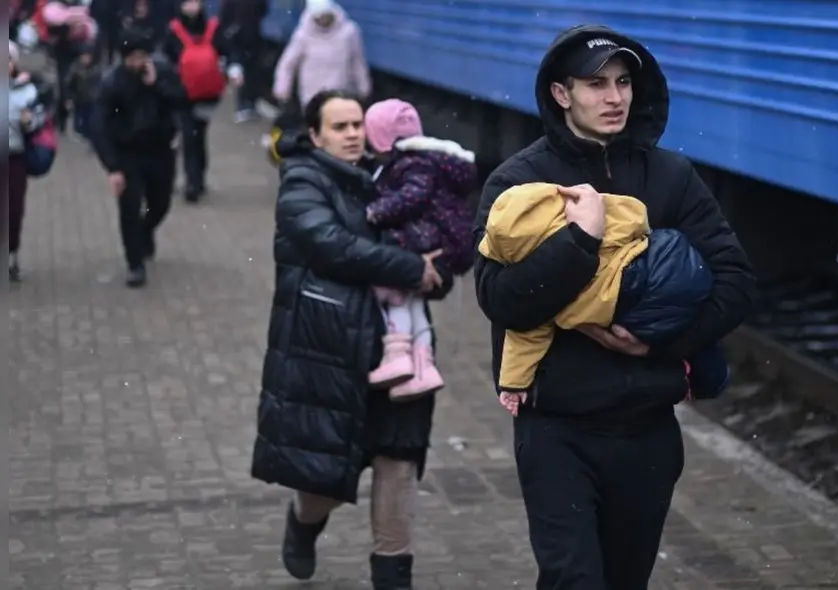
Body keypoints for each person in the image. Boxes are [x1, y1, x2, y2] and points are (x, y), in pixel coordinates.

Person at [473, 25, 756, 589]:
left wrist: (661, 343)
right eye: (596, 83)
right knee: (573, 579)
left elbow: (736, 282)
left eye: (624, 82)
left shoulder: (670, 176)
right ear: (561, 94)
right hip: (557, 429)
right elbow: (499, 299)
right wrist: (579, 245)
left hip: (646, 430)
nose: (615, 97)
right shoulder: (518, 183)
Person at [250, 89, 454, 590]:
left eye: (358, 124)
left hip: (401, 354)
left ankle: (392, 574)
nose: (352, 134)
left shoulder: (393, 176)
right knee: (327, 476)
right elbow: (332, 246)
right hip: (330, 352)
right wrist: (412, 267)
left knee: (397, 462)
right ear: (315, 135)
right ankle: (303, 524)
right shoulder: (302, 182)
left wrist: (440, 270)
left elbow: (436, 238)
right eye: (339, 127)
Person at [478, 182, 730, 415]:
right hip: (672, 262)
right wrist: (597, 206)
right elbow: (637, 215)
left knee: (669, 330)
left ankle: (707, 380)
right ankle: (713, 378)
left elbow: (527, 332)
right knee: (692, 326)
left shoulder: (549, 286)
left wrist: (513, 383)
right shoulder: (599, 225)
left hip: (637, 305)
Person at [363, 98, 477, 400]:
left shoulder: (411, 164)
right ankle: (423, 368)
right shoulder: (429, 159)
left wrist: (375, 211)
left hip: (427, 240)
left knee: (397, 291)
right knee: (414, 302)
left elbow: (413, 197)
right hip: (443, 240)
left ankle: (398, 357)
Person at [91, 28, 188, 288]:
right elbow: (100, 126)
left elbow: (181, 100)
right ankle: (135, 263)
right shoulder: (112, 83)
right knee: (130, 207)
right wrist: (112, 167)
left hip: (159, 150)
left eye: (142, 56)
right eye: (133, 57)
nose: (138, 62)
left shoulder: (162, 72)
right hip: (127, 154)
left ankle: (146, 231)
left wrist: (157, 84)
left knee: (160, 203)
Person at [162, 0, 243, 202]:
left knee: (196, 136)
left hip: (204, 94)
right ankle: (194, 182)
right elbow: (165, 57)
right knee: (191, 136)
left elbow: (228, 50)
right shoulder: (179, 29)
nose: (190, 7)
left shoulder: (199, 28)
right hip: (183, 94)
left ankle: (196, 179)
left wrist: (234, 69)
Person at [7, 40, 53, 282]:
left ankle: (11, 253)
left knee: (13, 210)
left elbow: (37, 121)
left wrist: (29, 121)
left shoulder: (27, 91)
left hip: (15, 158)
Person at [271, 0, 371, 110]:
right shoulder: (303, 35)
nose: (323, 20)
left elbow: (357, 62)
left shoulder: (349, 33)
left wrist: (363, 88)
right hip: (312, 97)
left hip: (341, 94)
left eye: (326, 15)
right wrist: (282, 90)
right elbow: (288, 64)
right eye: (319, 16)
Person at [40, 0, 96, 132]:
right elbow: (51, 22)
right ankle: (61, 119)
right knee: (62, 85)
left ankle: (77, 120)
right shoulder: (55, 7)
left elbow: (91, 29)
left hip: (78, 52)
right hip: (62, 52)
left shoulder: (81, 7)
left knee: (79, 86)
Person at [218, 0, 268, 122]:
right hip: (246, 37)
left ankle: (247, 104)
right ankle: (245, 105)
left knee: (247, 71)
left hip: (245, 37)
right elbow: (262, 10)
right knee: (245, 72)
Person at [64, 43, 102, 144]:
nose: (85, 59)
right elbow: (69, 84)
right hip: (79, 100)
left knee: (90, 123)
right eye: (83, 56)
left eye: (87, 56)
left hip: (92, 101)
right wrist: (69, 98)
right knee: (78, 126)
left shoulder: (97, 69)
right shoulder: (75, 68)